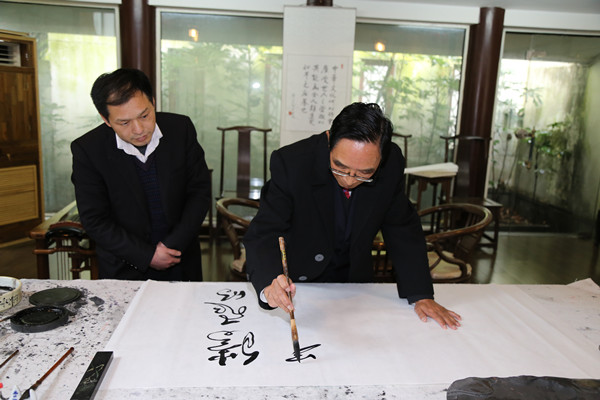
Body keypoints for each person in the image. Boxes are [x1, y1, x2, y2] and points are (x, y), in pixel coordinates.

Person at [244, 102, 461, 329]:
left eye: (364, 173)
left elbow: (402, 226)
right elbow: (265, 232)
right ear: (329, 140)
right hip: (300, 282)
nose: (348, 180)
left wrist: (421, 293)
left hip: (355, 282)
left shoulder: (392, 162)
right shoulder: (293, 162)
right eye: (339, 167)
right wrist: (269, 284)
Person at [71, 68, 211, 281]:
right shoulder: (88, 150)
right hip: (124, 266)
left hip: (180, 258)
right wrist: (147, 255)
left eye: (144, 115)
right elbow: (94, 219)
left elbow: (199, 192)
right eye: (124, 123)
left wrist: (171, 246)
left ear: (153, 102)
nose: (138, 129)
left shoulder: (180, 129)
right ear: (106, 119)